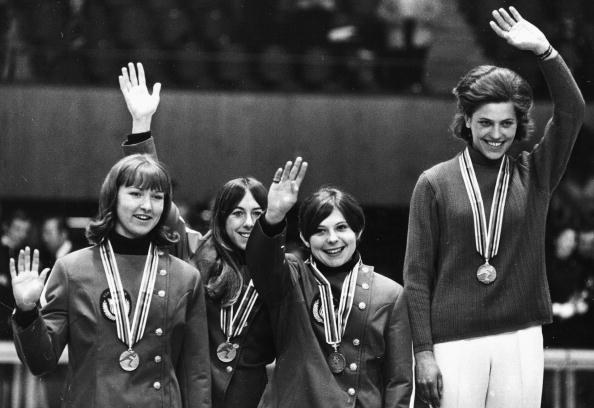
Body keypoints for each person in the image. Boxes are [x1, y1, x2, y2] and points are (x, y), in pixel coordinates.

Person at [404, 6, 585, 408]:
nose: (496, 134)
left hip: (519, 337)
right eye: (485, 122)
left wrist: (546, 53)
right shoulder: (433, 183)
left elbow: (572, 113)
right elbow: (416, 277)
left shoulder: (534, 173)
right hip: (452, 341)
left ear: (518, 125)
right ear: (466, 121)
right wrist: (423, 352)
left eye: (506, 124)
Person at [118, 62, 276, 408]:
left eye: (257, 213)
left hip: (256, 396)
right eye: (237, 213)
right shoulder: (195, 250)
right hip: (195, 393)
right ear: (221, 218)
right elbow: (165, 208)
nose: (247, 222)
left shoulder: (281, 269)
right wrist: (141, 125)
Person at [9, 154, 211, 408]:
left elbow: (197, 376)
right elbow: (41, 362)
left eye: (157, 197)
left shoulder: (185, 277)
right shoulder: (72, 270)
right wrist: (27, 312)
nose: (147, 206)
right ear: (113, 198)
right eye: (136, 194)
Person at [245, 158, 413, 407]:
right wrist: (274, 216)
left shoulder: (390, 294)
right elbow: (261, 262)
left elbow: (398, 381)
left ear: (358, 232)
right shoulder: (290, 278)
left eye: (341, 228)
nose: (332, 239)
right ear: (304, 237)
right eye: (320, 231)